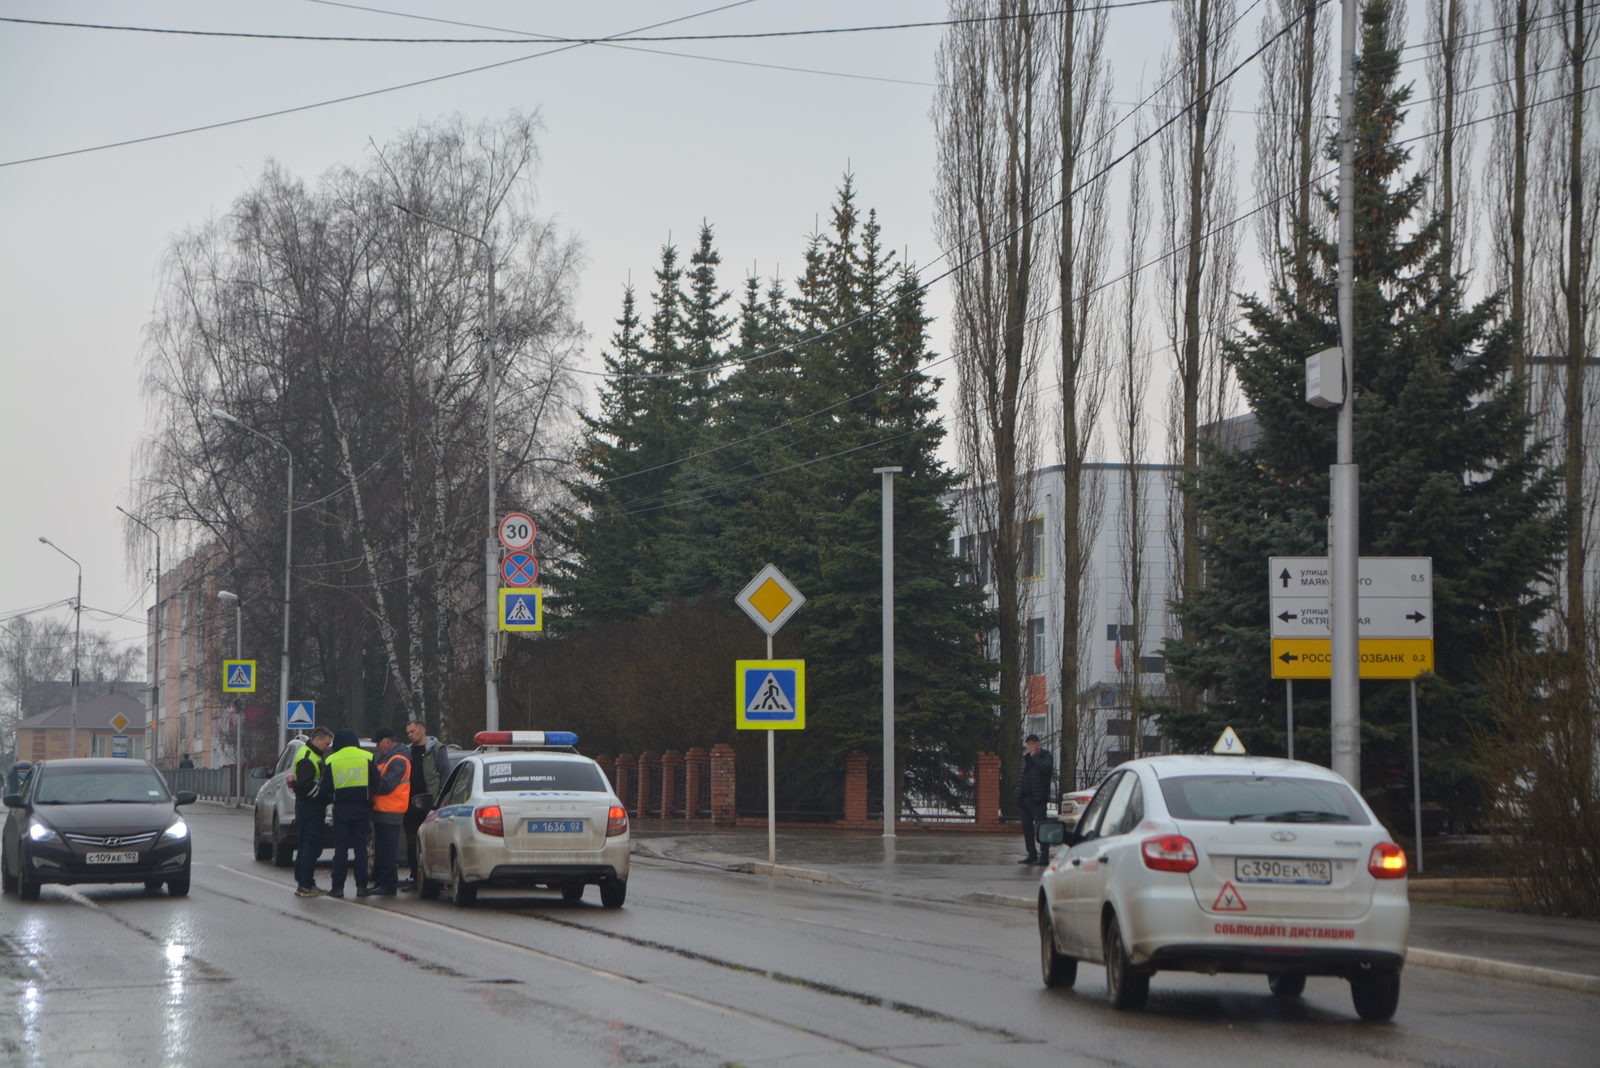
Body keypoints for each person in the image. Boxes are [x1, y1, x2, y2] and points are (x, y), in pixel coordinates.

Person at [325, 728, 377, 899]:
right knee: (361, 848)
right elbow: (376, 781)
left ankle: (337, 887)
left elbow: (325, 787)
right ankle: (362, 886)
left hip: (341, 809)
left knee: (341, 849)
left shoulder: (331, 759)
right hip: (362, 808)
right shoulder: (367, 756)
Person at [401, 719, 449, 892]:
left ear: (423, 730)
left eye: (413, 731)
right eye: (408, 732)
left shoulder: (437, 749)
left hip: (431, 806)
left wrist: (440, 799)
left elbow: (445, 774)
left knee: (431, 843)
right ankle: (415, 877)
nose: (410, 734)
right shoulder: (408, 752)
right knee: (412, 843)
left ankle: (436, 879)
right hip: (410, 805)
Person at [291, 726, 335, 897]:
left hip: (308, 807)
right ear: (317, 740)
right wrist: (324, 797)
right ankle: (306, 884)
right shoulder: (308, 757)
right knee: (310, 845)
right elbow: (305, 785)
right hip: (310, 807)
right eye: (326, 744)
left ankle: (304, 882)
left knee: (306, 845)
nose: (327, 747)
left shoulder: (313, 754)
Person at [369, 726, 411, 896]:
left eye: (378, 744)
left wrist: (371, 784)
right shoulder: (386, 759)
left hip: (391, 811)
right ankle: (382, 882)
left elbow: (385, 785)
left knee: (387, 851)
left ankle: (388, 884)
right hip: (382, 811)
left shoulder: (398, 760)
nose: (377, 747)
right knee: (381, 850)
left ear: (387, 742)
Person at [1015, 734, 1055, 866]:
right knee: (1027, 828)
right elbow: (1022, 777)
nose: (1030, 747)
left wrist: (1035, 757)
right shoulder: (1025, 759)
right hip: (1024, 799)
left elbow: (1046, 768)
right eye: (1028, 744)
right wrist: (1018, 793)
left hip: (1038, 799)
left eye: (1033, 744)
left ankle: (1044, 856)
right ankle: (1031, 854)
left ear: (1039, 744)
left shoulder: (1046, 756)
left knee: (1041, 827)